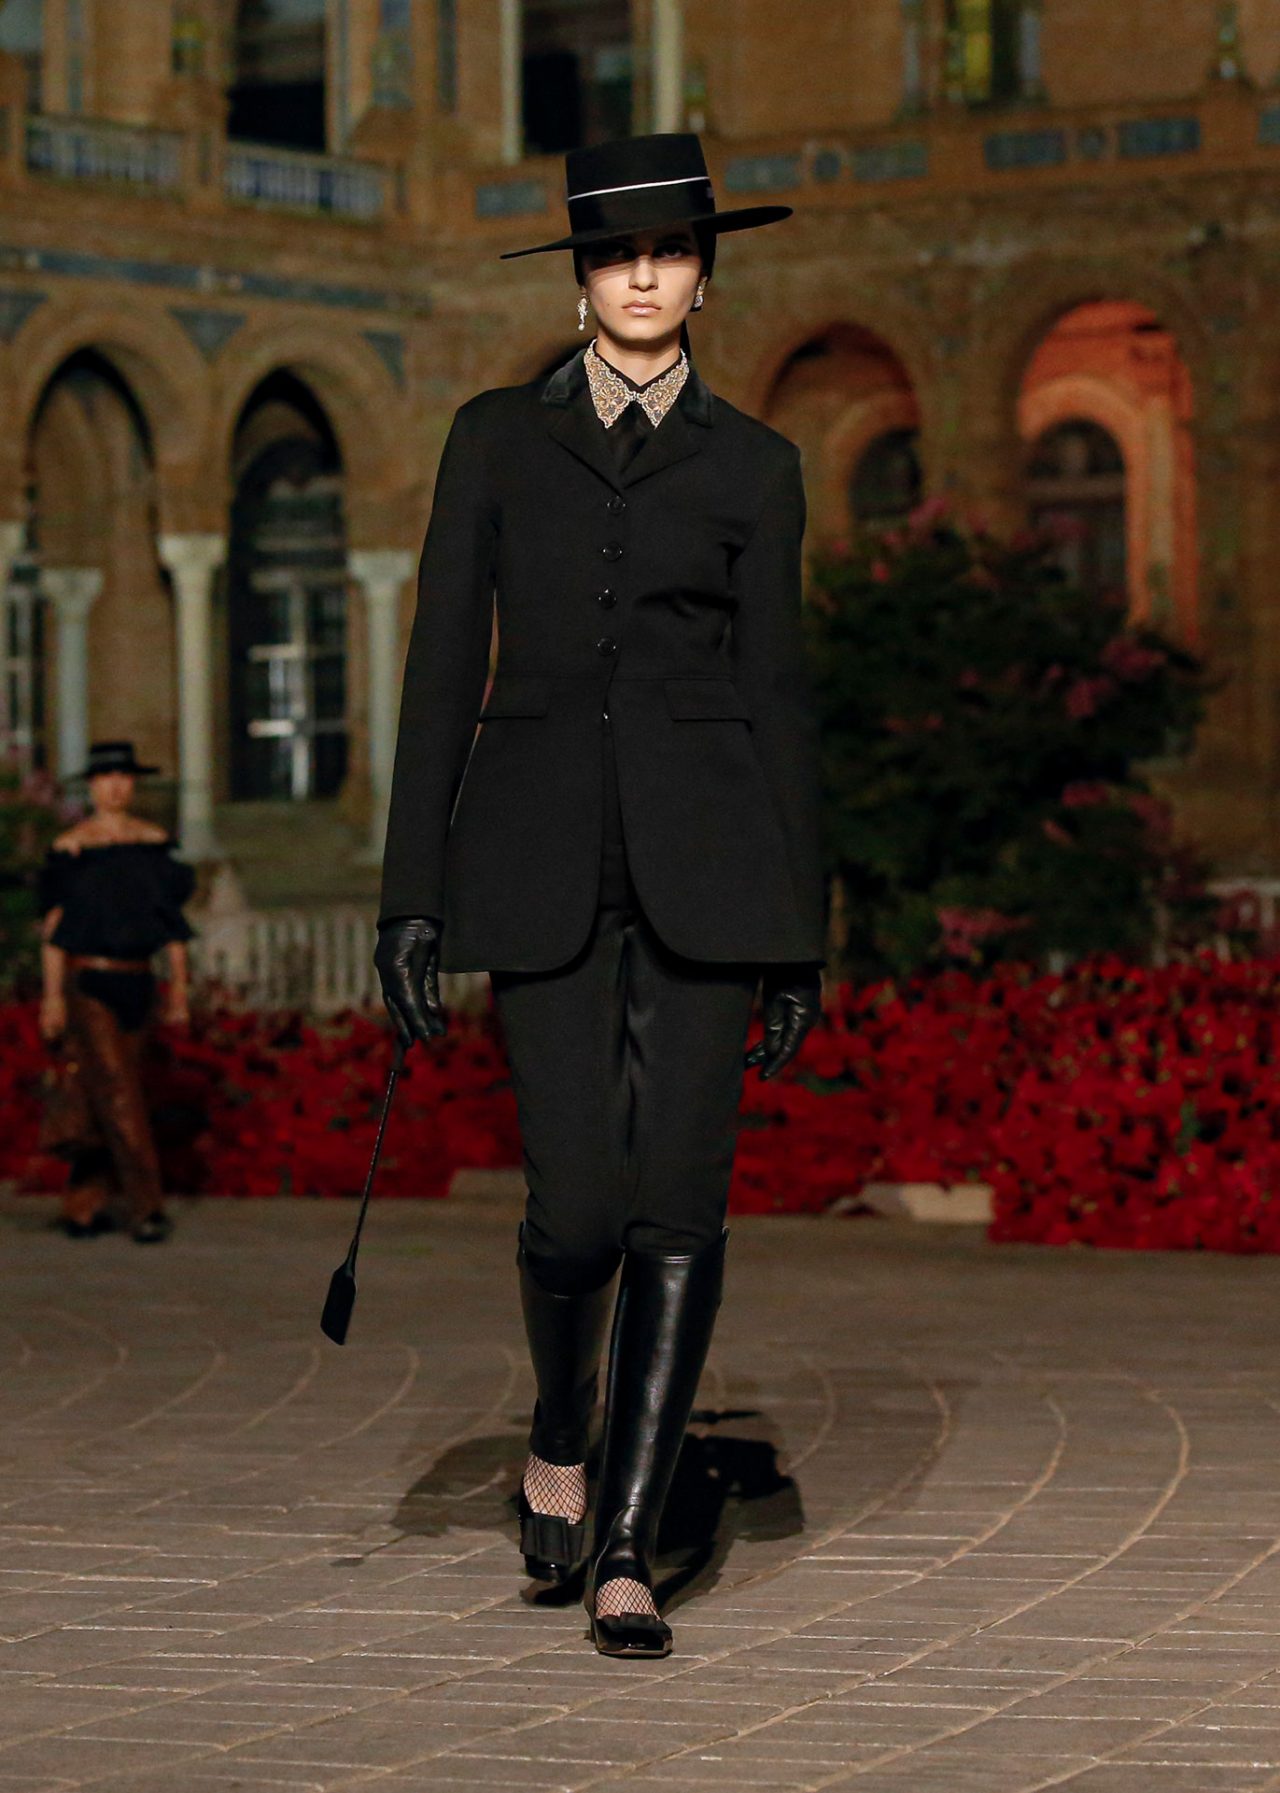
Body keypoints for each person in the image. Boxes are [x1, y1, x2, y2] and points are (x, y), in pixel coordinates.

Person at [375, 133, 825, 1658]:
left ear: (706, 274)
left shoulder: (756, 466)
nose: (643, 276)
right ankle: (561, 1426)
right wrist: (409, 895)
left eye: (670, 250)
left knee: (679, 1205)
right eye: (617, 253)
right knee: (575, 1211)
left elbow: (780, 700)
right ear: (580, 277)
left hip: (713, 873)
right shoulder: (495, 441)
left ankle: (627, 1540)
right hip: (535, 861)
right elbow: (443, 667)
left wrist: (801, 934)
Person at [37, 740, 195, 1244]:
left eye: (124, 777)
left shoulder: (153, 845)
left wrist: (179, 990)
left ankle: (84, 1202)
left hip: (138, 979)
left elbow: (172, 926)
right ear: (91, 786)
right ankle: (146, 1205)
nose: (115, 786)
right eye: (106, 777)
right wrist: (52, 997)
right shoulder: (71, 849)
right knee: (118, 1090)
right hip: (88, 981)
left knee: (106, 1092)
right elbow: (54, 930)